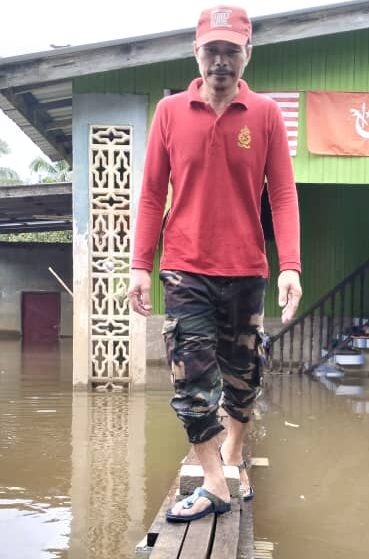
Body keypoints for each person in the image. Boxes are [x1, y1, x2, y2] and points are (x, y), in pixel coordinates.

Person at [126, 5, 302, 523]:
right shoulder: (170, 112)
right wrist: (141, 263)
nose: (220, 61)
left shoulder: (266, 114)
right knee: (191, 377)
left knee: (244, 375)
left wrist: (289, 264)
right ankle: (214, 481)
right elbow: (153, 192)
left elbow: (284, 197)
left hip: (247, 268)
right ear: (196, 53)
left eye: (231, 50)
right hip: (185, 267)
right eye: (211, 50)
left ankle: (231, 458)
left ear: (248, 53)